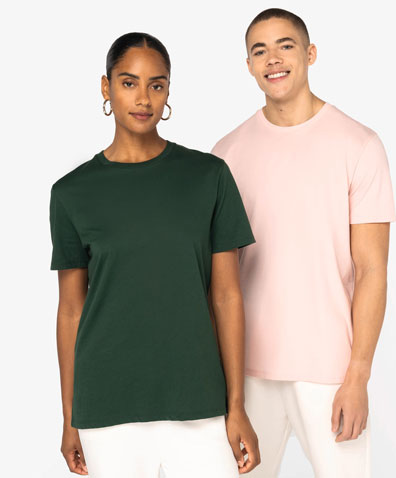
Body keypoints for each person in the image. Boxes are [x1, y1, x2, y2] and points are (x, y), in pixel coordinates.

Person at [49, 31, 261, 478]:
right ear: (106, 88)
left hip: (199, 402)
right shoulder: (71, 192)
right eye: (129, 83)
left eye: (156, 84)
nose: (143, 98)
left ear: (168, 92)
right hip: (108, 407)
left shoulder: (208, 176)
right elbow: (71, 311)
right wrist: (70, 418)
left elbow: (226, 296)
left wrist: (237, 406)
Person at [211, 8, 396, 478]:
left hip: (331, 371)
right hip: (247, 373)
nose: (273, 59)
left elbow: (372, 270)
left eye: (285, 46)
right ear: (248, 65)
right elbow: (218, 276)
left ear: (310, 53)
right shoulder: (226, 155)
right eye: (260, 51)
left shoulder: (359, 144)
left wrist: (358, 374)